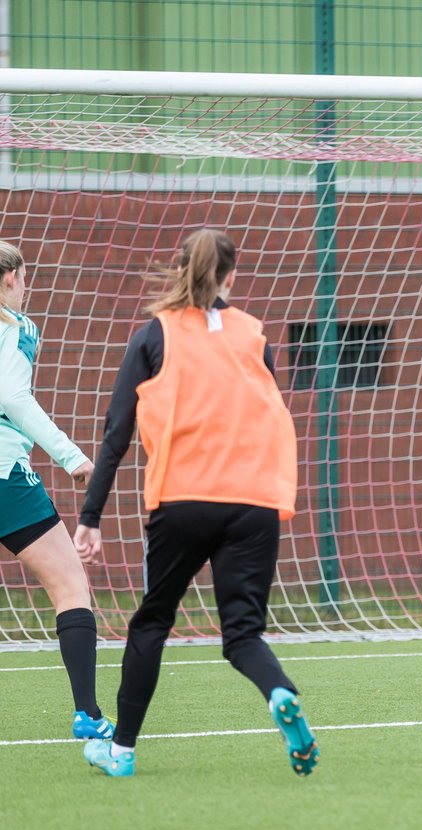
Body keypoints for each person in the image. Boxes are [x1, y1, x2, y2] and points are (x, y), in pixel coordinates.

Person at [73, 228, 317, 777]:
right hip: (253, 502)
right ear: (232, 275)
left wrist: (91, 516)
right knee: (244, 634)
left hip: (182, 501)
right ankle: (279, 692)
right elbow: (273, 418)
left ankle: (122, 751)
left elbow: (117, 434)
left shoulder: (153, 335)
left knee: (152, 623)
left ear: (180, 268)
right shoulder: (254, 335)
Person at [0, 241, 113, 741]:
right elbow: (12, 397)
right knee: (71, 586)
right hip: (5, 477)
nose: (26, 287)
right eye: (25, 278)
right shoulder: (16, 327)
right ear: (10, 279)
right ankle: (89, 716)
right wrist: (72, 456)